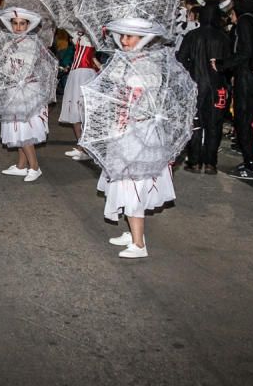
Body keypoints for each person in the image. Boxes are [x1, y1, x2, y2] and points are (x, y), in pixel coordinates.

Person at [97, 18, 176, 259]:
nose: (124, 40)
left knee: (133, 186)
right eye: (122, 36)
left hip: (138, 135)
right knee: (122, 182)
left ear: (143, 40)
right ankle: (132, 233)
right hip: (124, 131)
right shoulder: (126, 62)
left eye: (130, 37)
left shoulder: (147, 67)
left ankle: (139, 244)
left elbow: (141, 105)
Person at [177, 0, 231, 175]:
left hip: (195, 85)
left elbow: (181, 59)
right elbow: (230, 62)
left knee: (195, 123)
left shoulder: (192, 36)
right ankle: (210, 163)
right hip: (218, 87)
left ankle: (194, 161)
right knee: (214, 125)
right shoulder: (224, 37)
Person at [0, 7, 49, 182]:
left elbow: (26, 68)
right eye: (15, 23)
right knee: (15, 129)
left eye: (22, 24)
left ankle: (34, 166)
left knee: (25, 129)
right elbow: (4, 68)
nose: (18, 27)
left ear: (28, 25)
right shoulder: (7, 44)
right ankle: (21, 165)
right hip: (13, 89)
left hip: (27, 90)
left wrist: (12, 64)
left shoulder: (31, 43)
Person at [221, 0, 253, 180]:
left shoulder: (246, 21)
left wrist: (222, 65)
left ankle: (251, 165)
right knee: (243, 120)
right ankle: (249, 162)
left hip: (246, 79)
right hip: (246, 77)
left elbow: (244, 52)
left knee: (243, 120)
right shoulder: (251, 20)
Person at [60, 30, 99, 162]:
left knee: (85, 111)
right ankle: (81, 145)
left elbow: (92, 55)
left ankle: (85, 147)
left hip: (86, 74)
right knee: (74, 112)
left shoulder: (93, 34)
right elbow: (68, 28)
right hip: (75, 74)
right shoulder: (79, 34)